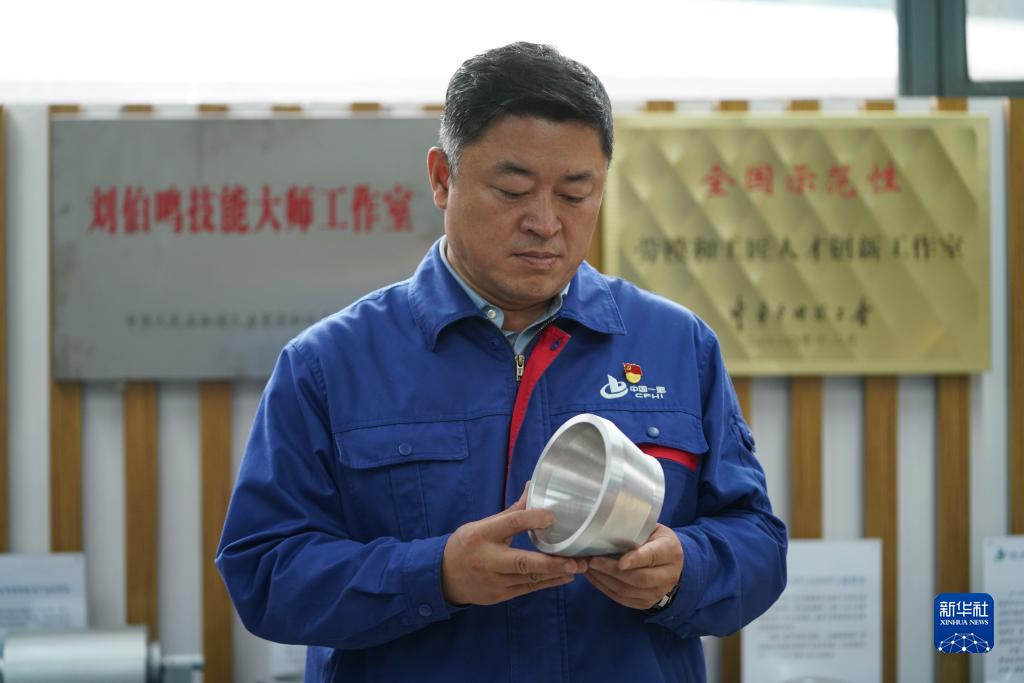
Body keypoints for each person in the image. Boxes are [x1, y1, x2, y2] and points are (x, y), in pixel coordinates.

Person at [216, 41, 787, 682]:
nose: (545, 222)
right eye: (513, 190)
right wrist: (436, 575)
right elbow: (263, 573)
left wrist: (684, 571)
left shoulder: (677, 346)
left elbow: (758, 544)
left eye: (576, 194)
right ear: (442, 178)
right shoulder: (330, 364)